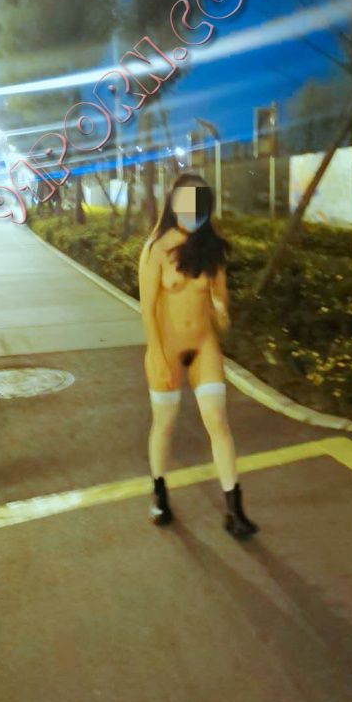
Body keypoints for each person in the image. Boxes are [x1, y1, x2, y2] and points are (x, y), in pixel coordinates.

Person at [138, 171, 259, 540]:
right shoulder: (156, 249)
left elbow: (221, 299)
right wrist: (158, 356)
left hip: (204, 346)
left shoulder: (211, 250)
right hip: (167, 349)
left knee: (218, 422)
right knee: (164, 424)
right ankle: (159, 496)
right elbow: (148, 310)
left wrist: (222, 310)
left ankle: (235, 511)